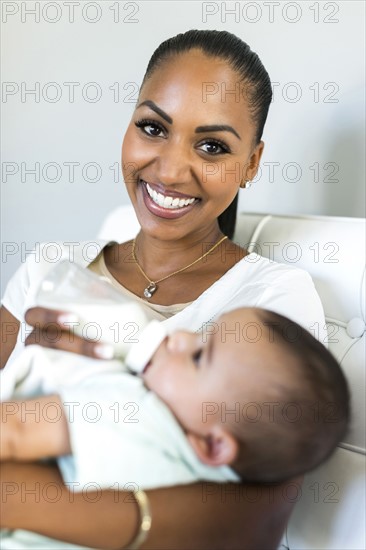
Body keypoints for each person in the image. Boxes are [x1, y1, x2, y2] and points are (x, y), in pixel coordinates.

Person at [0, 29, 329, 549]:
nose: (171, 169)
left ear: (252, 163)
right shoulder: (52, 264)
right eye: (153, 128)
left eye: (212, 146)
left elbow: (252, 523)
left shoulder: (271, 302)